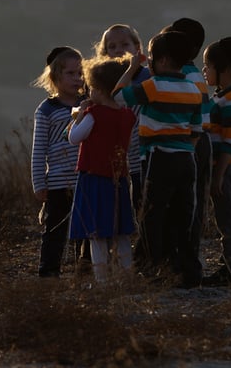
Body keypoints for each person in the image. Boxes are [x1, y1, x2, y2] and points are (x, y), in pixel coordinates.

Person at [114, 29, 204, 288]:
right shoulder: (193, 89)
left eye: (151, 57)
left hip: (158, 158)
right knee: (182, 216)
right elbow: (196, 131)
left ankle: (151, 270)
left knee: (151, 215)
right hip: (187, 161)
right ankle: (187, 271)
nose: (148, 62)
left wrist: (131, 69)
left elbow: (118, 97)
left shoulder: (152, 86)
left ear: (162, 60)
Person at [67, 55, 138, 283]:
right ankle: (127, 275)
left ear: (99, 89)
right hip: (118, 179)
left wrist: (78, 117)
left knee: (96, 233)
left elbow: (73, 138)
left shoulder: (94, 115)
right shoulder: (127, 115)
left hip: (93, 179)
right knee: (121, 231)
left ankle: (102, 281)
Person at [201, 36, 231, 286]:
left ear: (223, 69)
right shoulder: (225, 96)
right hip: (225, 166)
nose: (204, 71)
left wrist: (217, 176)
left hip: (227, 167)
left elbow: (230, 145)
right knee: (225, 217)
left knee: (227, 219)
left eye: (207, 66)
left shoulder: (230, 102)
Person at [30, 45, 84, 278]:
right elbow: (39, 148)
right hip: (58, 182)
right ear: (55, 77)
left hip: (84, 176)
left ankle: (84, 268)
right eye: (70, 74)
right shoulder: (46, 110)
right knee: (55, 229)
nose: (77, 78)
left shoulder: (88, 104)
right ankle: (49, 271)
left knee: (83, 227)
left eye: (80, 73)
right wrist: (39, 183)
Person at [162, 18, 211, 274]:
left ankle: (180, 263)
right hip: (199, 140)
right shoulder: (193, 74)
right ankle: (188, 261)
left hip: (187, 142)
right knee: (193, 204)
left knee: (179, 205)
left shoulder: (182, 76)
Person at [93, 23, 149, 214]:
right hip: (111, 162)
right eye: (112, 46)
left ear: (137, 48)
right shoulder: (100, 85)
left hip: (142, 155)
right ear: (104, 52)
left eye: (125, 45)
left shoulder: (147, 78)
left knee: (144, 206)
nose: (119, 50)